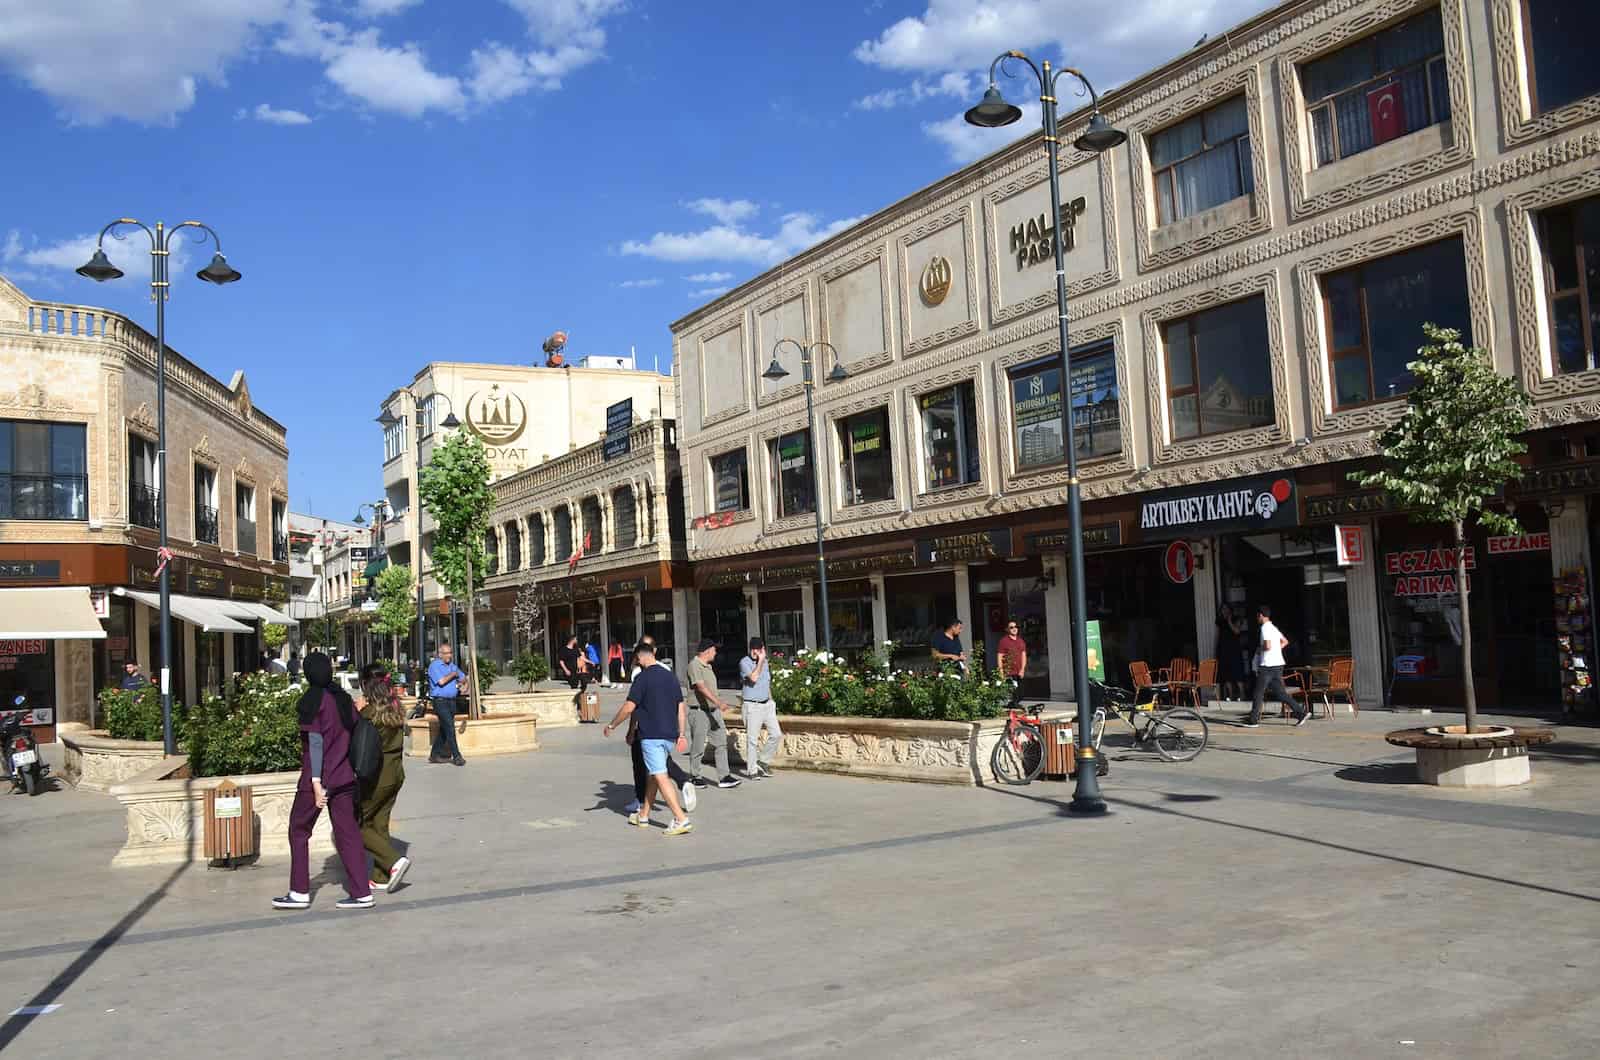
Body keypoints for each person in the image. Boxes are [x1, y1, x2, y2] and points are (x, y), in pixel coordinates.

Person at [272, 652, 373, 910]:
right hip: (345, 776)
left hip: (317, 779)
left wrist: (316, 783)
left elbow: (315, 743)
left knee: (299, 829)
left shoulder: (313, 701)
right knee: (347, 832)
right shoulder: (341, 698)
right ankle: (362, 892)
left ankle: (299, 891)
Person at [602, 641, 692, 836]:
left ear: (640, 657)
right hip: (670, 734)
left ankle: (680, 819)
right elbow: (680, 708)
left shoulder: (642, 679)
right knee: (652, 774)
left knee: (660, 775)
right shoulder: (670, 676)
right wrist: (682, 734)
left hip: (651, 736)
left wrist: (612, 725)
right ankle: (643, 814)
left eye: (636, 659)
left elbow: (629, 707)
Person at [357, 664, 411, 893]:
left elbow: (358, 737)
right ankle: (380, 877)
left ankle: (393, 861)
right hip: (397, 773)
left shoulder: (370, 713)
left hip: (379, 774)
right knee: (379, 823)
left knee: (355, 823)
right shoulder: (397, 707)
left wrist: (359, 710)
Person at [684, 638, 741, 790]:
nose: (716, 653)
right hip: (700, 712)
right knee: (698, 746)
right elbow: (701, 687)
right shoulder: (694, 665)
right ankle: (695, 776)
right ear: (707, 650)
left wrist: (717, 704)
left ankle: (724, 776)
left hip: (713, 712)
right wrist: (718, 702)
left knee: (721, 742)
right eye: (714, 650)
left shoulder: (708, 666)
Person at [1244, 604, 1307, 728]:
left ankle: (1253, 720)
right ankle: (1301, 713)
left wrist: (1258, 649)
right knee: (1280, 693)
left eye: (1257, 616)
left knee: (1258, 693)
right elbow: (1285, 642)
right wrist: (1276, 650)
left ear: (1261, 615)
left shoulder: (1265, 628)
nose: (1257, 618)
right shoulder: (1273, 627)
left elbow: (1267, 646)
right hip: (1278, 664)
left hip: (1267, 665)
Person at [740, 637, 780, 779]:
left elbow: (766, 681)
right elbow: (754, 678)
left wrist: (771, 699)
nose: (759, 652)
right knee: (752, 739)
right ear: (752, 650)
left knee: (776, 734)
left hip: (766, 704)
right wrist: (760, 661)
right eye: (757, 649)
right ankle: (752, 770)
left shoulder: (766, 662)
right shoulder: (745, 662)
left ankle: (763, 761)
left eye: (761, 649)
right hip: (752, 705)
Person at [428, 643, 468, 765]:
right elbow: (441, 681)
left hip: (452, 701)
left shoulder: (453, 666)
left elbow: (463, 678)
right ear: (440, 654)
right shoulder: (434, 666)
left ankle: (434, 755)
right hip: (440, 701)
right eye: (446, 653)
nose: (449, 656)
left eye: (450, 653)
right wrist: (453, 675)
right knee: (450, 727)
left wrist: (463, 686)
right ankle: (457, 756)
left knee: (445, 730)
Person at [1215, 605, 1245, 699]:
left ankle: (1242, 694)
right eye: (1222, 609)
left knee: (1237, 672)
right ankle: (1230, 694)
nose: (1224, 611)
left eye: (1226, 609)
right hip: (1224, 651)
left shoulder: (1236, 619)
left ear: (1230, 610)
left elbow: (1237, 631)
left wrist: (1229, 621)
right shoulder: (1220, 622)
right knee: (1226, 674)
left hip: (1234, 651)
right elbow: (1218, 635)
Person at [995, 620, 1028, 704]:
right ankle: (1013, 708)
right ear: (1007, 629)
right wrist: (1001, 671)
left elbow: (1023, 656)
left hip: (1019, 672)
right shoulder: (1003, 641)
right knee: (1014, 693)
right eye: (1011, 627)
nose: (1014, 628)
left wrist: (1022, 669)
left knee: (1021, 694)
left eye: (1016, 627)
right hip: (1009, 672)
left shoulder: (1021, 641)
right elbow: (1000, 656)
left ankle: (1013, 706)